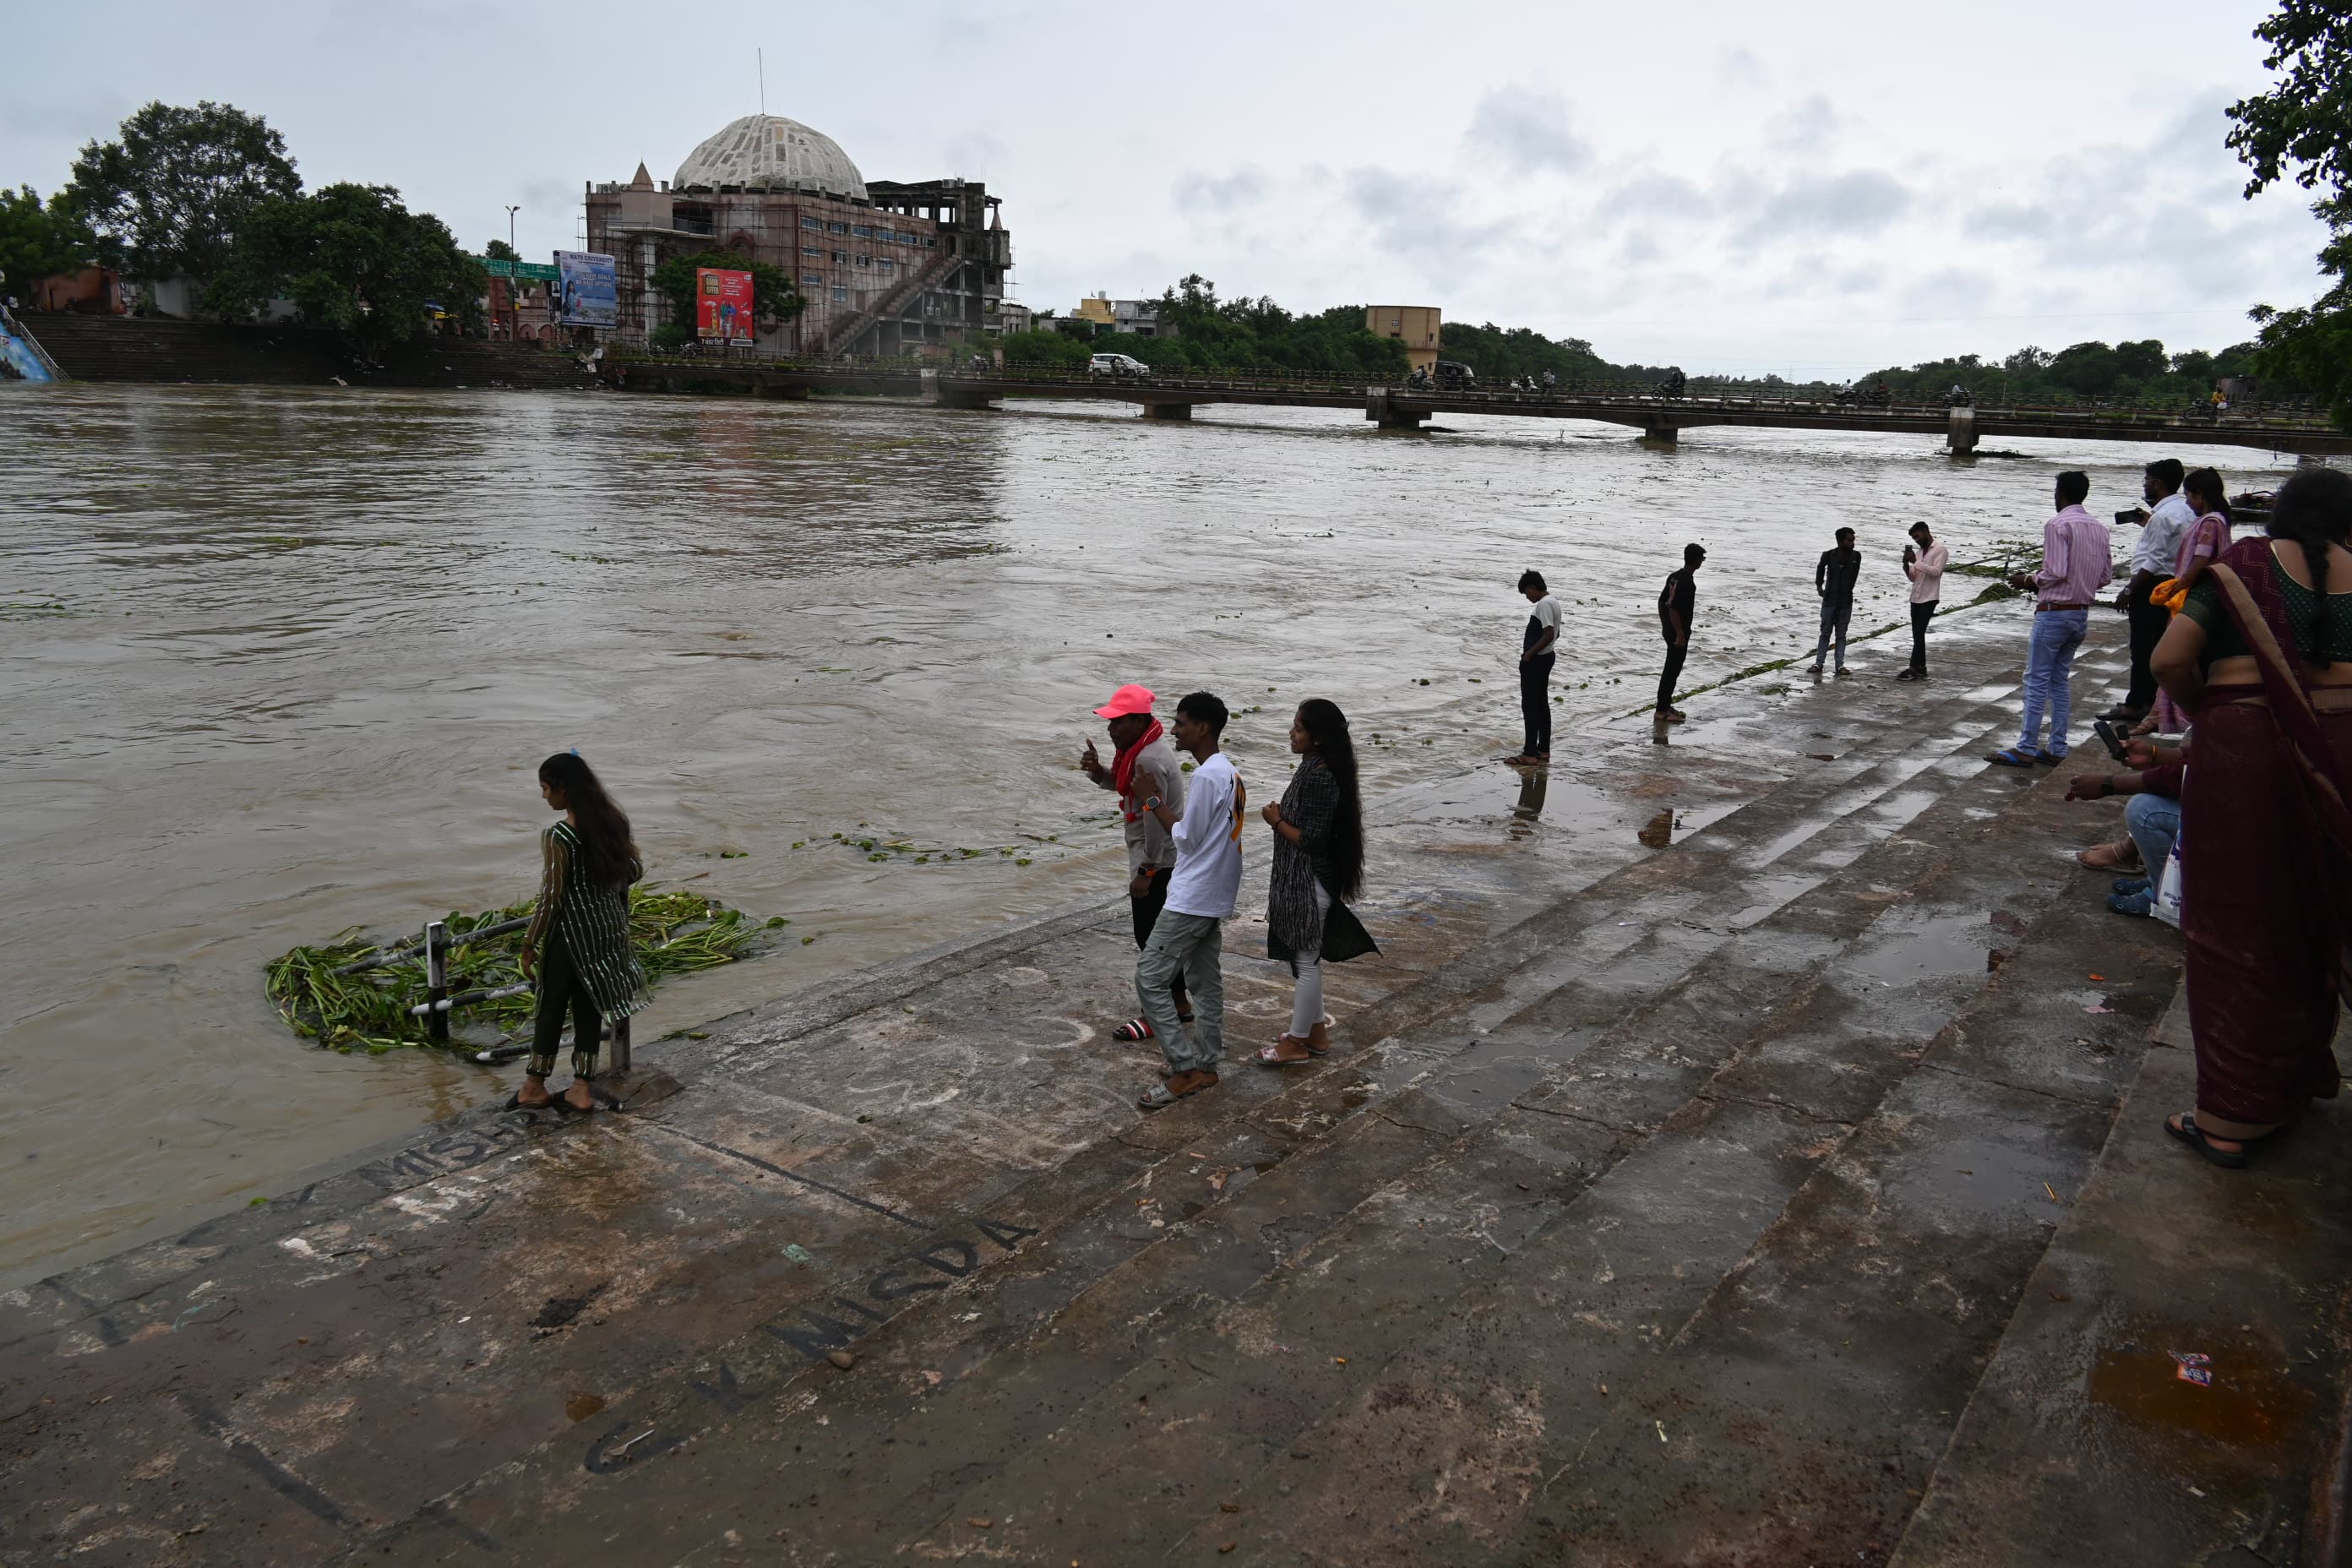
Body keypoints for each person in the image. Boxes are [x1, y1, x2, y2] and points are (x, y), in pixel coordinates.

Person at [2149, 466, 2352, 1166]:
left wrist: (2215, 705)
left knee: (2238, 927)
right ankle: (2303, 1074)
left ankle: (2231, 1116)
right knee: (2318, 917)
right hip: (2343, 756)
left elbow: (2169, 658)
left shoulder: (2245, 566)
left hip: (2246, 757)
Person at [513, 752, 646, 1113]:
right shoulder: (613, 822)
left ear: (563, 789)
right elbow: (634, 871)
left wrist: (529, 942)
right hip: (605, 933)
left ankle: (534, 1086)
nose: (544, 796)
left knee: (550, 1008)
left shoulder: (560, 836)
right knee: (589, 1007)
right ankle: (581, 1089)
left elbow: (551, 898)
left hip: (569, 937)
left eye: (545, 788)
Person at [1131, 692, 1244, 1108]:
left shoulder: (1207, 778)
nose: (1174, 730)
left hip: (1192, 897)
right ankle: (1207, 1064)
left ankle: (1185, 1069)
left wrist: (1152, 800)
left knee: (1149, 978)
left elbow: (1186, 838)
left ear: (1203, 729)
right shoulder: (1228, 772)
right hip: (1214, 893)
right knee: (1204, 982)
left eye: (1180, 724)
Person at [1255, 700, 1379, 1066]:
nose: (1291, 733)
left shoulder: (1319, 774)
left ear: (1319, 738)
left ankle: (1296, 1044)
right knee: (1305, 959)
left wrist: (1276, 821)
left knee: (1306, 962)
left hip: (1309, 883)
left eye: (1298, 728)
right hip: (1302, 881)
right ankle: (1316, 1034)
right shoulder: (1315, 767)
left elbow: (1311, 839)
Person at [1080, 683, 1190, 1043]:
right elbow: (1130, 791)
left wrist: (1147, 871)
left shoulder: (1147, 759)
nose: (1111, 730)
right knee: (1162, 937)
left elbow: (1154, 818)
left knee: (1152, 940)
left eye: (1118, 723)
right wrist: (1099, 772)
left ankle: (1156, 1015)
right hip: (1157, 857)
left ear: (1140, 720)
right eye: (1109, 723)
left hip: (1157, 859)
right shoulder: (1143, 750)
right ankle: (1179, 1004)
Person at [1987, 471, 2112, 767]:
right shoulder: (2100, 528)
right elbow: (2105, 577)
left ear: (2061, 495)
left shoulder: (2058, 524)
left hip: (2054, 612)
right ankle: (2057, 746)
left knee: (2036, 680)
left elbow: (2055, 571)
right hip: (2081, 613)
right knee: (2059, 681)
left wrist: (2028, 578)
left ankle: (2027, 747)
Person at [2142, 469, 2233, 735]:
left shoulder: (2210, 522)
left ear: (2200, 496)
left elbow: (2202, 559)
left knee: (2178, 658)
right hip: (2195, 594)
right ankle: (2159, 714)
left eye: (2188, 496)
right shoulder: (2217, 520)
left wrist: (2179, 586)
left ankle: (2183, 715)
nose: (2187, 502)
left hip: (2193, 596)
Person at [2105, 458, 2196, 726]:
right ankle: (2153, 699)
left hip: (2152, 584)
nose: (2144, 486)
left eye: (2146, 481)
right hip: (2173, 583)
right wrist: (2148, 522)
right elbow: (2172, 546)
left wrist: (2129, 588)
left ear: (2156, 484)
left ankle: (2137, 703)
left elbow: (2154, 559)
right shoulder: (2185, 510)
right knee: (2158, 641)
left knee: (2143, 646)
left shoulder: (2163, 516)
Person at [2063, 738, 2184, 916]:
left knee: (2144, 810)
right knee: (2154, 795)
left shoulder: (2226, 715)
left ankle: (2167, 896)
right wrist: (2155, 754)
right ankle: (2160, 879)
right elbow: (2201, 754)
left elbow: (2190, 774)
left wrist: (2109, 785)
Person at [1508, 570, 1562, 765]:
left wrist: (1528, 656)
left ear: (1533, 587)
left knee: (1530, 706)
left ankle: (1529, 753)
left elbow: (1548, 634)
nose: (1527, 597)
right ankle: (1543, 749)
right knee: (1541, 703)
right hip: (1546, 657)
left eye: (1526, 593)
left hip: (1537, 661)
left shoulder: (1544, 604)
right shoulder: (1553, 601)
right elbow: (1556, 633)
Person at [1656, 542, 1705, 722]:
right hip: (1678, 634)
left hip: (1669, 630)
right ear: (1698, 561)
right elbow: (1674, 609)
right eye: (1703, 559)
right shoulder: (1687, 583)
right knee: (1672, 671)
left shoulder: (1674, 577)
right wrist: (1680, 634)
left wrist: (1664, 627)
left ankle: (1665, 706)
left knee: (1670, 669)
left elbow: (1662, 603)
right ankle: (1662, 711)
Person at [1897, 521, 1949, 681]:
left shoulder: (1940, 549)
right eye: (1914, 539)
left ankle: (1914, 667)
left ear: (1926, 532)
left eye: (1918, 537)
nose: (1917, 541)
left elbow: (1936, 571)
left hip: (1930, 597)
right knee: (1916, 634)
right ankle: (1921, 667)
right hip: (1916, 597)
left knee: (1919, 632)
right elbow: (1914, 578)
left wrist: (1916, 562)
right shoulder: (1919, 553)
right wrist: (1907, 566)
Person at [1808, 527, 1862, 677]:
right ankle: (1819, 663)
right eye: (1849, 540)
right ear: (1840, 541)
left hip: (1845, 601)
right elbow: (1820, 568)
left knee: (1841, 634)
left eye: (1853, 540)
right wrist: (1819, 585)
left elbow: (1854, 577)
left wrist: (1847, 590)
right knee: (1825, 632)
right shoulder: (1828, 555)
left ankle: (1839, 665)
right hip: (1829, 600)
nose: (1853, 543)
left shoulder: (1856, 556)